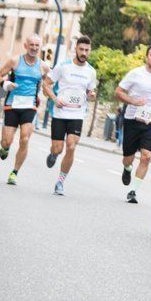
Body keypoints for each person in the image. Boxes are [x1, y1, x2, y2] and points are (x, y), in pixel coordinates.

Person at [42, 36, 98, 196]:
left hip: (77, 114)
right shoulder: (63, 66)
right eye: (81, 49)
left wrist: (92, 95)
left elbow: (90, 92)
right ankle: (53, 153)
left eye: (87, 50)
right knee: (58, 148)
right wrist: (54, 99)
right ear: (76, 49)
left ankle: (60, 181)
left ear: (89, 51)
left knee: (71, 146)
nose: (84, 53)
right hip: (60, 113)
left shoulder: (91, 71)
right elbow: (46, 84)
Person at [114, 44, 151, 204]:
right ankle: (127, 168)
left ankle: (133, 191)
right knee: (128, 159)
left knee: (147, 157)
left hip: (150, 123)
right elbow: (118, 91)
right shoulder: (135, 73)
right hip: (132, 120)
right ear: (147, 57)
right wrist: (133, 101)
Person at [0, 35, 51, 185]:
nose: (34, 48)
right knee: (7, 141)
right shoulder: (15, 61)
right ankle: (4, 146)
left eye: (37, 45)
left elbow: (48, 85)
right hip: (12, 104)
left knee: (25, 139)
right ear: (25, 46)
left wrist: (50, 94)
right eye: (31, 45)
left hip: (30, 106)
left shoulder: (44, 67)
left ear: (40, 47)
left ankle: (14, 172)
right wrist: (6, 85)